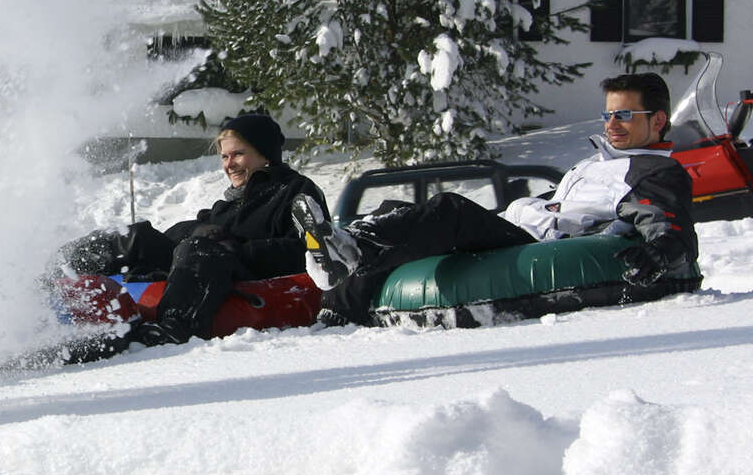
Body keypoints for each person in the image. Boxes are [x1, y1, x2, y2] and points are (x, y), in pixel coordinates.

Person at [293, 72, 699, 326]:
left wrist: (659, 253)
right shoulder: (600, 163)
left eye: (624, 115)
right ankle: (339, 308)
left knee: (449, 208)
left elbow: (667, 222)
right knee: (395, 212)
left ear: (657, 120)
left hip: (539, 249)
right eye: (608, 115)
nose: (612, 124)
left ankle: (349, 249)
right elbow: (564, 204)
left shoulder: (653, 171)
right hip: (526, 227)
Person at [55, 113, 328, 357]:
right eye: (224, 156)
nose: (229, 164)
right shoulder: (230, 203)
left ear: (265, 153)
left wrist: (236, 248)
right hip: (206, 261)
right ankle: (50, 278)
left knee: (199, 247)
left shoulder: (296, 191)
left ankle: (173, 328)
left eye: (238, 154)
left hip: (246, 271)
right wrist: (195, 232)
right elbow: (190, 233)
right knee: (135, 235)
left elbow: (306, 249)